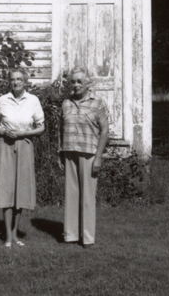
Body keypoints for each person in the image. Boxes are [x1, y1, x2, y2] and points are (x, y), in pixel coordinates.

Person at [0, 68, 45, 248]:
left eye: (19, 79)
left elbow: (41, 127)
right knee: (6, 188)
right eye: (13, 80)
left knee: (21, 189)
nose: (16, 82)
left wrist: (25, 132)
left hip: (24, 145)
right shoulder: (2, 101)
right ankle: (7, 236)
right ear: (9, 82)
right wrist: (2, 131)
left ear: (25, 81)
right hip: (5, 145)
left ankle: (15, 232)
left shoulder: (33, 100)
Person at [60, 66, 109, 248]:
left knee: (88, 196)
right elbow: (61, 129)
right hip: (69, 151)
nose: (76, 85)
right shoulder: (66, 103)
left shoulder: (97, 103)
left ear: (88, 83)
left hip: (89, 153)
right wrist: (60, 152)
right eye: (73, 81)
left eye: (80, 81)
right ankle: (71, 235)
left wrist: (98, 157)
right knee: (71, 194)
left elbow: (104, 132)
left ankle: (88, 238)